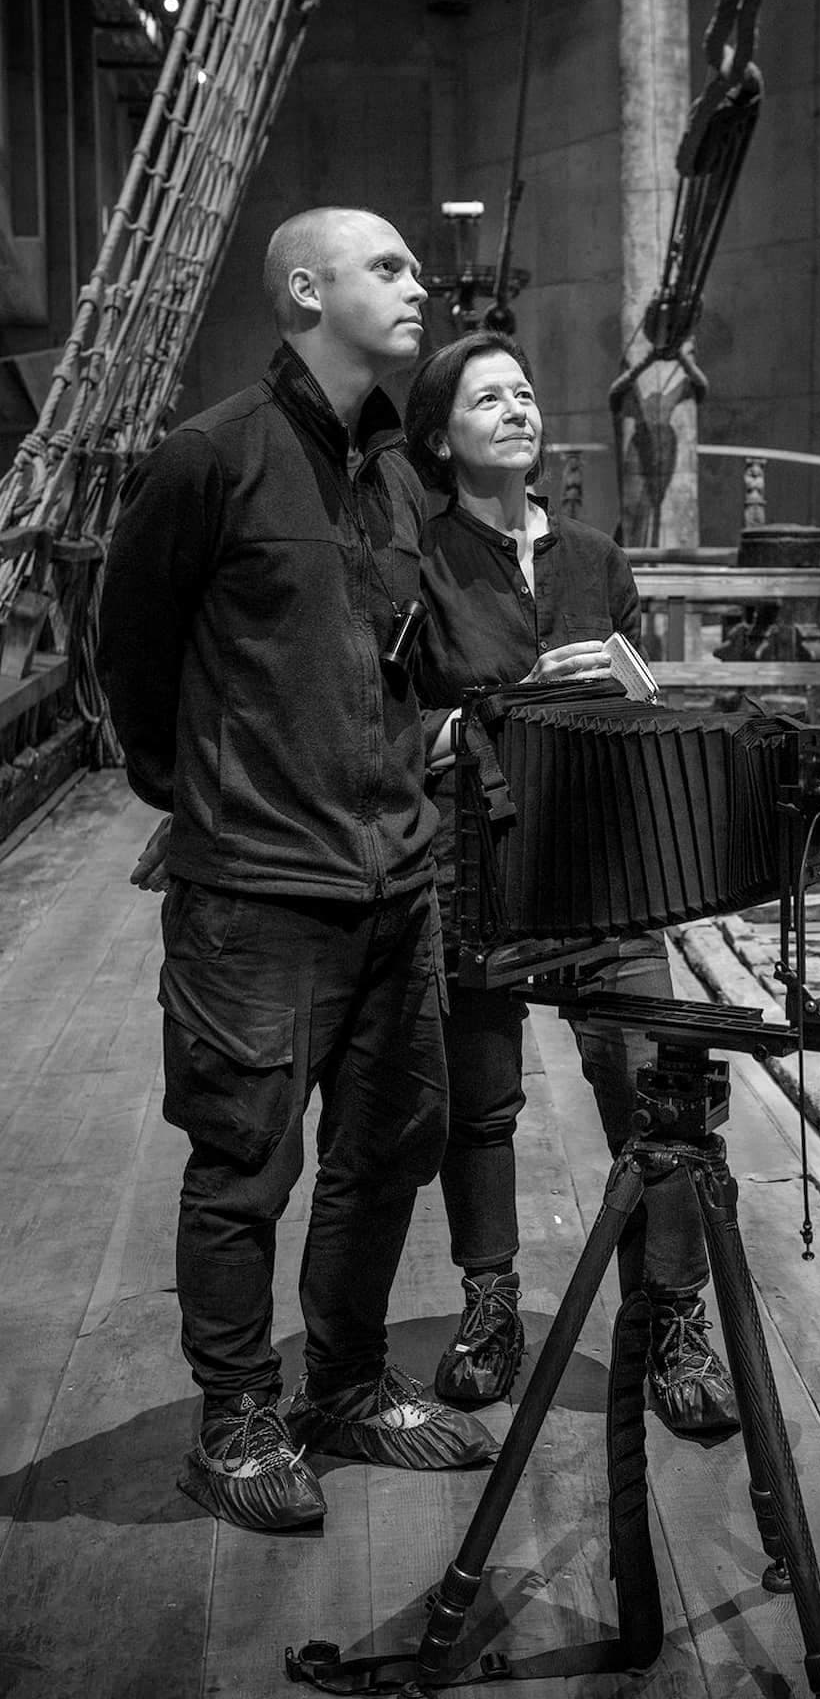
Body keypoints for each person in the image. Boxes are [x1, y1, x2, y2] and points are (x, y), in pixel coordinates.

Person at [97, 207, 497, 1534]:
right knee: (243, 1164)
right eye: (389, 266)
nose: (417, 283)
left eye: (414, 265)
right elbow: (132, 656)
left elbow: (406, 660)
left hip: (395, 882)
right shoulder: (210, 457)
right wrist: (206, 798)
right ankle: (236, 1421)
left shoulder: (389, 470)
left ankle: (346, 1385)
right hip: (259, 893)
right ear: (305, 290)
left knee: (388, 1151)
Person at [405, 329, 739, 1439]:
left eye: (524, 391)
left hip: (605, 865)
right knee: (482, 1099)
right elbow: (394, 729)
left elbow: (640, 705)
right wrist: (512, 699)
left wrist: (635, 696)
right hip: (484, 869)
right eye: (486, 397)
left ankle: (674, 1318)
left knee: (658, 1083)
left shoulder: (597, 557)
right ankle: (491, 1304)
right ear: (441, 434)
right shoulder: (421, 560)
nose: (515, 408)